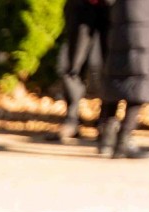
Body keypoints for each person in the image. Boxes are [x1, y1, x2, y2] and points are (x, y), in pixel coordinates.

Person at [97, 0, 149, 158]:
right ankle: (123, 138)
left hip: (125, 11)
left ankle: (107, 135)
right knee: (143, 74)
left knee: (118, 68)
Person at [52, 0, 111, 144]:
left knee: (110, 65)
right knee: (73, 63)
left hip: (113, 8)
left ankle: (106, 122)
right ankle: (71, 120)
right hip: (81, 5)